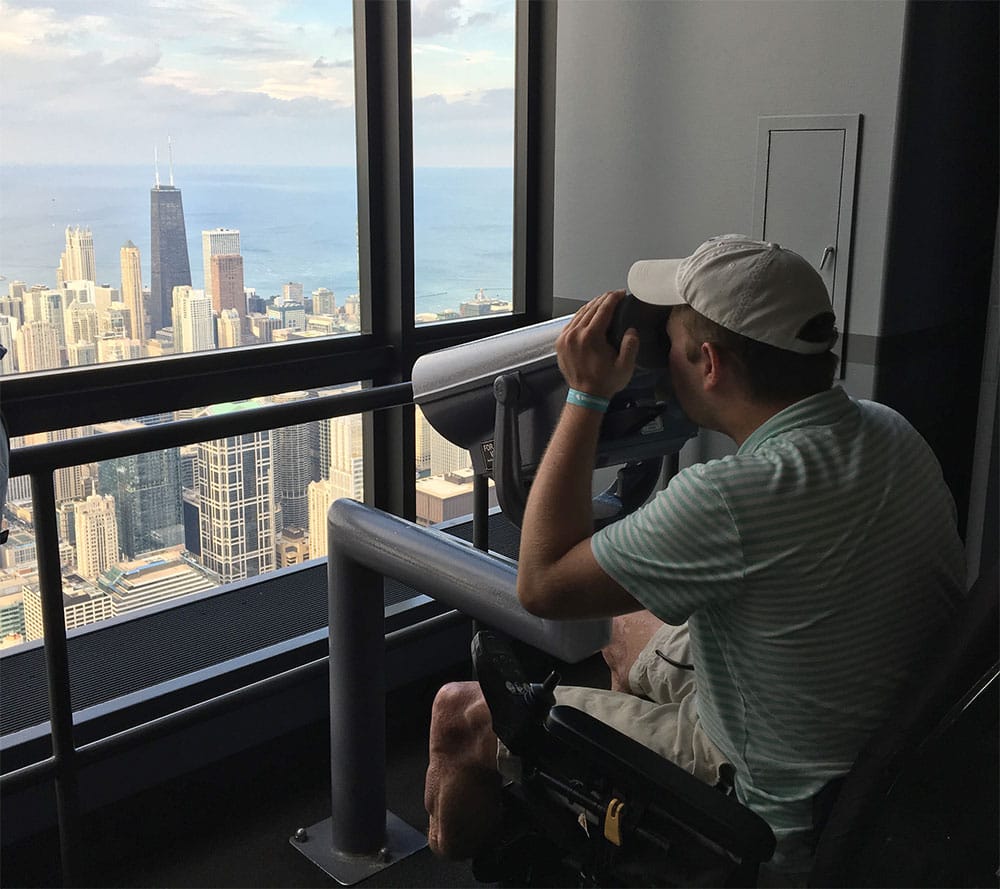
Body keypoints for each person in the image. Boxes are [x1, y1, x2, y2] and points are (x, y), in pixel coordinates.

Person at [424, 234, 966, 879]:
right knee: (626, 624)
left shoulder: (730, 498)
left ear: (709, 363)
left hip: (769, 809)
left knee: (460, 713)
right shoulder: (890, 429)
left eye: (670, 343)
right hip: (877, 770)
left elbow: (542, 585)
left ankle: (479, 842)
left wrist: (587, 397)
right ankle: (598, 799)